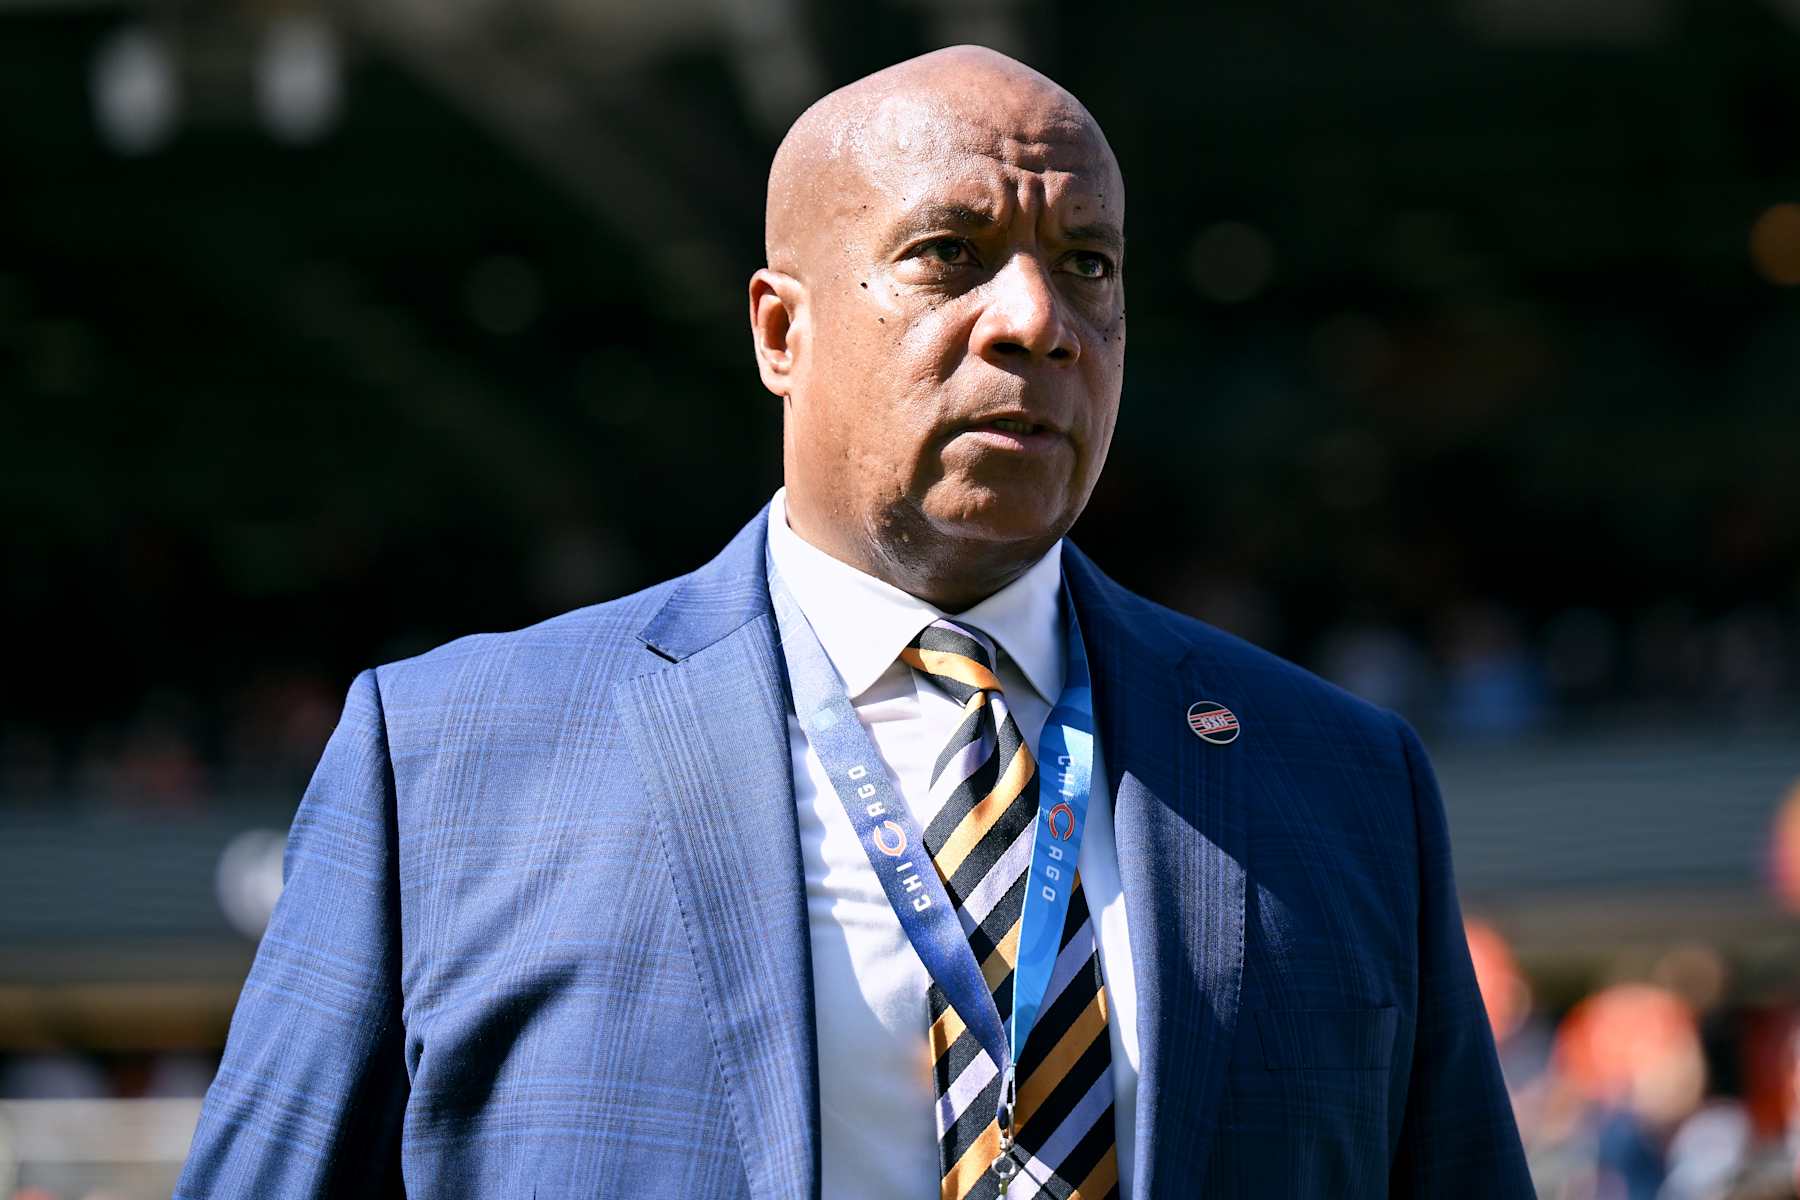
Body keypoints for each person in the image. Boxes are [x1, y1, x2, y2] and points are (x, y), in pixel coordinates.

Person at [175, 45, 1533, 1200]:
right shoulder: (446, 762)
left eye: (1089, 263)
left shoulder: (1342, 783)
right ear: (782, 331)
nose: (1037, 319)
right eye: (951, 254)